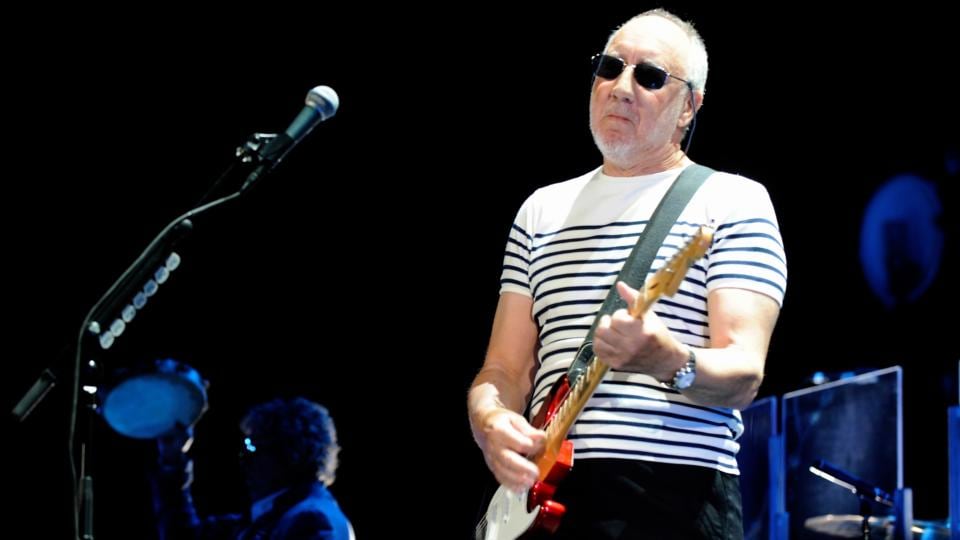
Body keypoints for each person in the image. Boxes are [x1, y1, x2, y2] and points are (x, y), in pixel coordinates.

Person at [467, 8, 786, 540]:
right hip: (541, 500)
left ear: (689, 107)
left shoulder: (731, 199)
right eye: (610, 67)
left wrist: (668, 359)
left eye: (650, 76)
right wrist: (490, 424)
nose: (620, 87)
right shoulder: (540, 210)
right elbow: (501, 370)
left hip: (672, 498)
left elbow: (744, 373)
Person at [151, 396, 355, 540]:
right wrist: (172, 459)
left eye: (252, 445)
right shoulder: (267, 519)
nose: (244, 457)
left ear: (290, 452)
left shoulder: (313, 521)